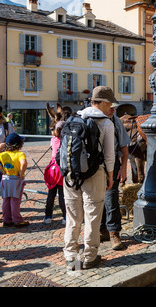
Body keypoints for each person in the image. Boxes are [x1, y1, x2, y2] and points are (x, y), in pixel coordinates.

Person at [63, 86, 116, 270]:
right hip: (94, 173)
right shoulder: (106, 123)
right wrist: (110, 177)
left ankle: (71, 258)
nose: (110, 107)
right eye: (109, 103)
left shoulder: (75, 117)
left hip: (70, 174)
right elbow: (110, 155)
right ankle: (89, 257)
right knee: (92, 216)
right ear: (100, 102)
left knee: (73, 217)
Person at [99, 103, 131, 250]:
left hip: (112, 165)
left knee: (111, 198)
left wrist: (123, 168)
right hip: (94, 166)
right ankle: (101, 230)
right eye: (110, 107)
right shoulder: (89, 119)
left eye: (114, 108)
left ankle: (114, 232)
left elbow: (124, 149)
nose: (113, 110)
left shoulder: (116, 121)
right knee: (96, 200)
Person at [0, 133, 29, 228]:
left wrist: (2, 170)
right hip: (16, 179)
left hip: (5, 178)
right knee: (15, 200)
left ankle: (7, 220)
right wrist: (21, 172)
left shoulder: (3, 154)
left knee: (6, 200)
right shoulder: (20, 154)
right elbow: (23, 163)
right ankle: (17, 220)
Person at [43, 120, 66, 225]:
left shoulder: (53, 140)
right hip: (61, 168)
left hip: (52, 168)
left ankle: (48, 216)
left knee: (51, 194)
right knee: (62, 194)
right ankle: (65, 217)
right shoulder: (66, 140)